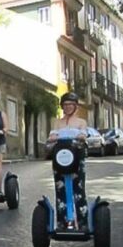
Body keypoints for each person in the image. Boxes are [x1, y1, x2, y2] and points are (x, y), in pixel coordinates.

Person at [48, 92, 89, 229]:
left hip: (76, 157)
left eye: (71, 104)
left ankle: (82, 223)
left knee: (79, 189)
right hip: (60, 158)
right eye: (65, 105)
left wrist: (81, 136)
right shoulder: (57, 122)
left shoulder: (81, 122)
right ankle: (63, 223)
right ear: (62, 106)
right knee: (60, 189)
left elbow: (83, 134)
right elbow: (51, 137)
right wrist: (53, 137)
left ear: (76, 106)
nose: (68, 107)